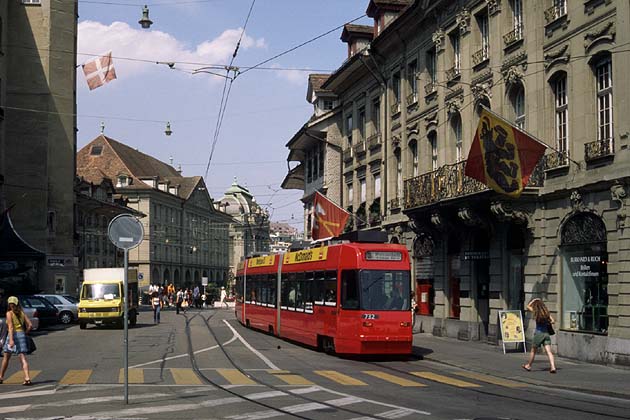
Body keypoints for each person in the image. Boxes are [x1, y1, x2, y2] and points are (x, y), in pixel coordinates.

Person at [0, 296, 33, 385]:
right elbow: (30, 325)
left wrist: (11, 340)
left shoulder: (9, 313)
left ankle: (1, 377)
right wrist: (25, 333)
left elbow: (10, 327)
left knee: (6, 357)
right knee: (22, 357)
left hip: (12, 335)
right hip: (21, 334)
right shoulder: (22, 312)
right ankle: (27, 378)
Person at [522, 298, 557, 374]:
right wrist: (547, 322)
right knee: (549, 351)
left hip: (539, 333)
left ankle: (528, 365)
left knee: (533, 351)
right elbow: (553, 321)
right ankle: (553, 367)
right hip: (546, 334)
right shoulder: (547, 313)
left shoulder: (536, 312)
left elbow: (528, 306)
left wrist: (534, 300)